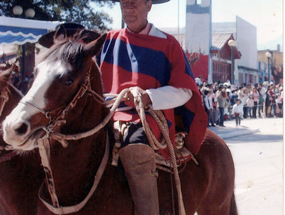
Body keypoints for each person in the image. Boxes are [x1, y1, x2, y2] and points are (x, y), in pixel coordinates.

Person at [99, 0, 208, 214]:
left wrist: (148, 96)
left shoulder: (168, 44)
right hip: (107, 112)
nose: (128, 8)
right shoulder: (107, 41)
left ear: (149, 5)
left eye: (135, 3)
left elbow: (185, 90)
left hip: (147, 116)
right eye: (124, 3)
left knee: (136, 145)